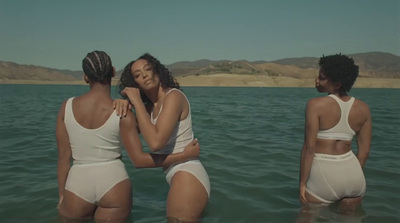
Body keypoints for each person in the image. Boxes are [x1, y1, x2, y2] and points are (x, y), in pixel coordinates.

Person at [56, 50, 200, 222]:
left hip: (77, 184)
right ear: (112, 72)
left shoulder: (66, 107)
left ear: (85, 77)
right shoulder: (122, 113)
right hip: (114, 184)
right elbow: (139, 158)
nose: (145, 76)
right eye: (139, 74)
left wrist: (62, 196)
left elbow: (64, 158)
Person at [115, 53, 210, 222]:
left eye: (147, 69)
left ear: (157, 71)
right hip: (175, 172)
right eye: (137, 75)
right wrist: (125, 105)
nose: (144, 75)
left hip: (187, 172)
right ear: (134, 84)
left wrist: (136, 102)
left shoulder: (173, 97)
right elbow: (125, 134)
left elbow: (156, 143)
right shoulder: (149, 108)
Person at [299, 54, 371, 213]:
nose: (316, 80)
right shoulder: (364, 108)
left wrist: (303, 183)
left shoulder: (315, 105)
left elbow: (309, 149)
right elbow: (364, 152)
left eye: (322, 77)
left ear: (337, 84)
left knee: (307, 215)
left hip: (326, 177)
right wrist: (350, 176)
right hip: (355, 178)